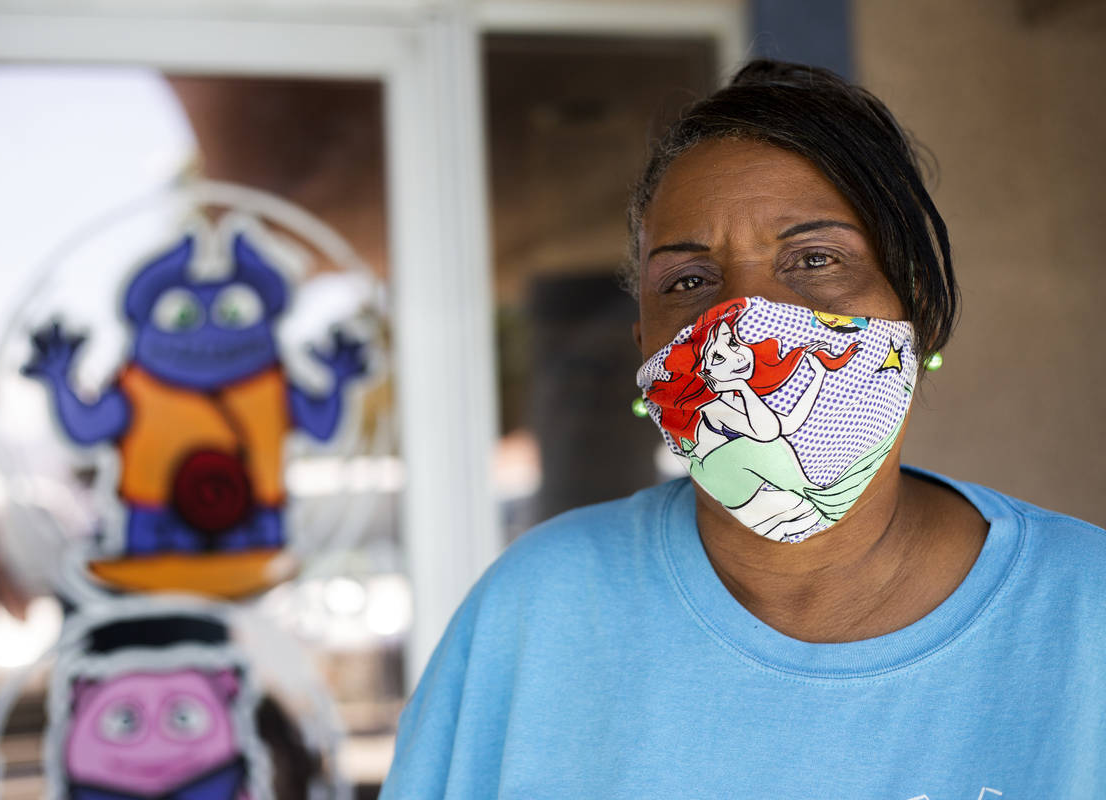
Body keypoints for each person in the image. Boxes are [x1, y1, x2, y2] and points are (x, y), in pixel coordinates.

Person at [380, 60, 1106, 797]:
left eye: (815, 258)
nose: (747, 317)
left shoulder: (1086, 615)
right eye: (689, 282)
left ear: (915, 308)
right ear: (647, 350)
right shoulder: (536, 614)